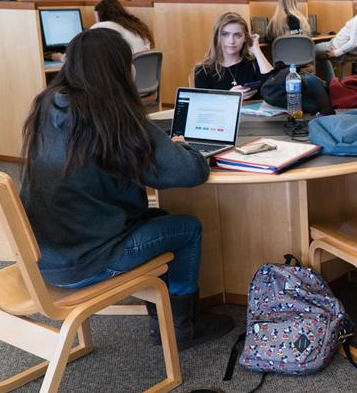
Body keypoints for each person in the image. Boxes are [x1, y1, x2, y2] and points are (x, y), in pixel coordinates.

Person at [20, 28, 232, 350]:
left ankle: (161, 318)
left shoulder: (46, 106)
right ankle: (182, 328)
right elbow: (190, 172)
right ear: (119, 69)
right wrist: (183, 148)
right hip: (87, 260)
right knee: (187, 228)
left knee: (158, 217)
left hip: (42, 259)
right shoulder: (112, 116)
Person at [194, 11, 274, 99]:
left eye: (237, 35)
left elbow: (274, 87)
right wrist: (229, 98)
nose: (231, 41)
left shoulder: (254, 63)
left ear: (245, 38)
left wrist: (257, 50)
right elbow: (204, 107)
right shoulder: (203, 70)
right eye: (225, 34)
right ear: (217, 37)